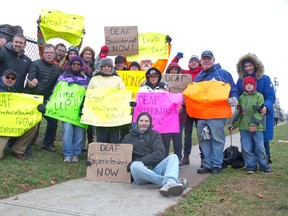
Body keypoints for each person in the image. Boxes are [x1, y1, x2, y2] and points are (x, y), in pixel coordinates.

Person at [122, 112, 187, 197]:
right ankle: (169, 182)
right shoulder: (127, 138)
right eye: (141, 121)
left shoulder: (155, 135)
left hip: (155, 168)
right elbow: (123, 157)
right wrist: (134, 163)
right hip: (140, 174)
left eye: (146, 121)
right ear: (137, 122)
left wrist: (140, 161)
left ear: (150, 123)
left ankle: (170, 182)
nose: (143, 123)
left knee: (174, 157)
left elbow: (160, 154)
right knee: (134, 165)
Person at [194, 50, 239, 175]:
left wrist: (234, 98)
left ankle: (217, 165)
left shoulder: (223, 74)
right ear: (201, 61)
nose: (206, 61)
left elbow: (233, 89)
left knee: (217, 139)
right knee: (203, 139)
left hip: (217, 114)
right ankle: (207, 164)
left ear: (213, 60)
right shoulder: (198, 77)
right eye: (204, 59)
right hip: (202, 114)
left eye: (209, 58)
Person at [235, 53, 275, 163]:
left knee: (263, 138)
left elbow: (271, 96)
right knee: (248, 138)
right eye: (246, 66)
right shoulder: (240, 80)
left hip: (263, 113)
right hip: (247, 114)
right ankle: (251, 161)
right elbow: (237, 93)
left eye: (250, 65)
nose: (248, 68)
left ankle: (266, 158)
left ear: (256, 65)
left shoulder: (265, 79)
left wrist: (266, 107)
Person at [229, 76, 272, 174]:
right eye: (246, 84)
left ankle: (264, 166)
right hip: (244, 128)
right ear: (244, 86)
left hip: (257, 128)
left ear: (254, 85)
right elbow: (239, 113)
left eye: (251, 84)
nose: (248, 86)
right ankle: (251, 166)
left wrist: (254, 124)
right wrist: (234, 125)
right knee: (246, 147)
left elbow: (260, 112)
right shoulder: (241, 98)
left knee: (260, 147)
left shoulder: (259, 96)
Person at [24, 44, 62, 152]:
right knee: (34, 121)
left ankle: (47, 143)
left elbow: (57, 84)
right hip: (34, 97)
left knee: (53, 120)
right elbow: (31, 79)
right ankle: (28, 141)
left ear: (54, 55)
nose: (49, 55)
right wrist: (31, 83)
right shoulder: (35, 64)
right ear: (43, 54)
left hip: (47, 100)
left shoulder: (57, 68)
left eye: (51, 53)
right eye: (47, 53)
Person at [54, 56, 90, 163]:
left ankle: (76, 154)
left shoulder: (85, 79)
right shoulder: (63, 77)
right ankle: (67, 154)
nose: (76, 66)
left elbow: (89, 93)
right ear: (70, 65)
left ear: (81, 66)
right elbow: (56, 90)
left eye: (78, 64)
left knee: (79, 133)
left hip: (80, 110)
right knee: (67, 132)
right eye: (74, 64)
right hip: (67, 110)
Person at [172, 53, 203, 166]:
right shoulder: (185, 73)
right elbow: (172, 67)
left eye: (195, 60)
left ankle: (203, 158)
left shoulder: (202, 72)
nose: (193, 62)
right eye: (191, 61)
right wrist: (177, 57)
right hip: (186, 108)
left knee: (201, 134)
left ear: (199, 62)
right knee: (187, 134)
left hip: (199, 108)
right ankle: (186, 157)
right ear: (189, 63)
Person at [0, 69, 37, 160]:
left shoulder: (17, 94)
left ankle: (18, 149)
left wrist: (38, 107)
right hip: (2, 127)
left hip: (10, 125)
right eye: (7, 77)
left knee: (33, 125)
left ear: (15, 81)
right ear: (2, 77)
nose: (10, 79)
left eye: (13, 78)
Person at [87, 58, 126, 143]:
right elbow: (89, 93)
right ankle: (101, 155)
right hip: (99, 112)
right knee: (101, 135)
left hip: (114, 112)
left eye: (109, 66)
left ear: (112, 67)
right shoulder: (94, 79)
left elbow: (123, 93)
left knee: (114, 135)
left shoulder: (117, 79)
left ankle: (114, 155)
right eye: (104, 66)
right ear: (101, 67)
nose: (106, 68)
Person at [161, 62, 185, 162]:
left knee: (177, 139)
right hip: (166, 117)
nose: (174, 71)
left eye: (176, 69)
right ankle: (165, 159)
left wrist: (182, 104)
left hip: (180, 116)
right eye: (172, 69)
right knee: (165, 140)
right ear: (169, 71)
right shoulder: (163, 83)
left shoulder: (183, 84)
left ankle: (178, 159)